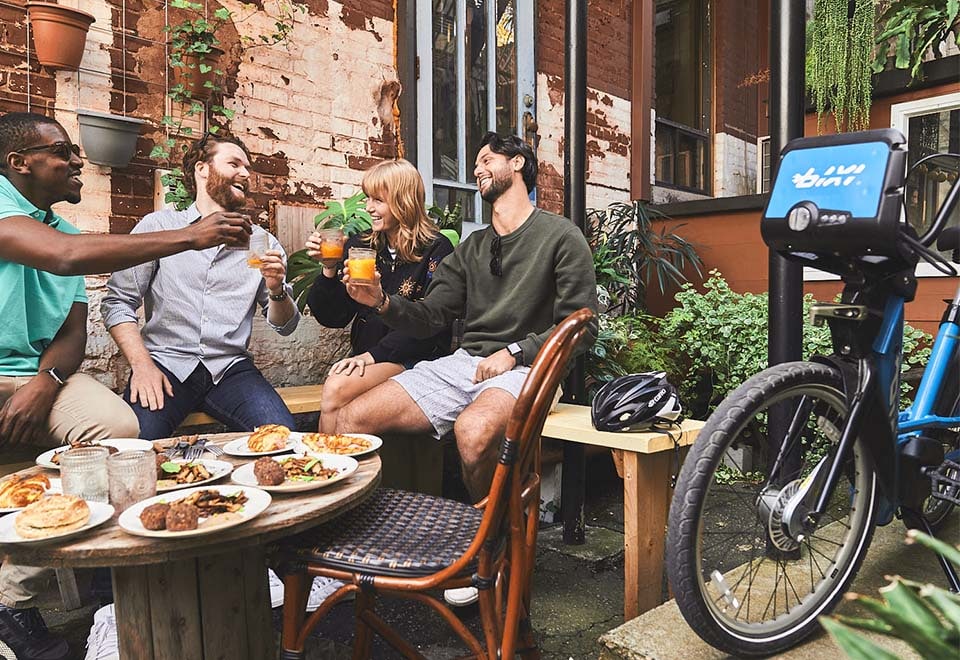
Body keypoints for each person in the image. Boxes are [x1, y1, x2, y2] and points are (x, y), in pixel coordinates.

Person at [0, 112, 250, 660]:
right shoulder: (19, 219)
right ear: (19, 163)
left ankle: (14, 599)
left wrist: (45, 381)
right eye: (62, 152)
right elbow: (67, 259)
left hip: (38, 374)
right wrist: (189, 237)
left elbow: (72, 333)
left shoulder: (66, 232)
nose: (77, 160)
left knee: (120, 436)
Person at [339, 131, 598, 503]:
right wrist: (381, 302)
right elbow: (430, 317)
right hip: (466, 365)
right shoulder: (472, 248)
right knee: (352, 419)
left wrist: (514, 352)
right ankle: (375, 528)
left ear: (518, 162)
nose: (477, 170)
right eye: (476, 165)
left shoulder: (560, 236)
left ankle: (496, 533)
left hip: (530, 369)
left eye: (486, 160)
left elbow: (582, 326)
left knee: (473, 432)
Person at [101, 133, 299, 439]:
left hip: (230, 370)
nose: (245, 174)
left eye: (247, 168)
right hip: (166, 365)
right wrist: (141, 366)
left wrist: (276, 290)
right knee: (137, 446)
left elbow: (286, 326)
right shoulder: (160, 227)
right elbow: (118, 302)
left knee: (283, 439)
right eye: (234, 164)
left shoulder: (261, 242)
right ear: (202, 168)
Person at [305, 158, 454, 433]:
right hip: (370, 357)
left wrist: (371, 357)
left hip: (416, 359)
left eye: (378, 200)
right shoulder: (362, 245)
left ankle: (330, 458)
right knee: (339, 394)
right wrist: (328, 268)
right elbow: (334, 316)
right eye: (368, 198)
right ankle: (333, 458)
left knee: (337, 387)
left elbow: (431, 323)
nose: (368, 208)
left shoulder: (436, 249)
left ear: (403, 201)